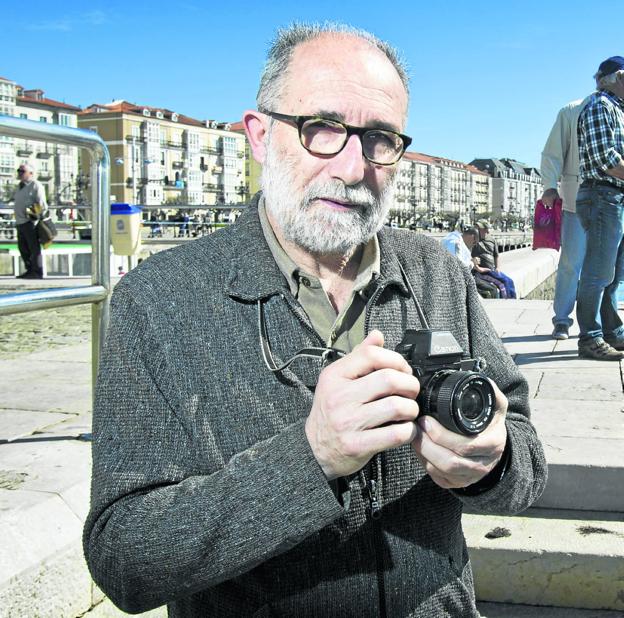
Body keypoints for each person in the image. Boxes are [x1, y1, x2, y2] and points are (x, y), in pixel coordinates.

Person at [84, 24, 547, 617]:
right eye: (321, 129)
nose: (354, 166)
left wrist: (492, 461)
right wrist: (309, 460)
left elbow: (526, 456)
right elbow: (125, 559)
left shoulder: (437, 272)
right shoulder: (159, 300)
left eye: (380, 138)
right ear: (259, 135)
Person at [575, 56, 624, 361]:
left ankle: (612, 331)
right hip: (603, 196)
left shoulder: (617, 109)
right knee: (598, 272)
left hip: (614, 197)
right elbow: (605, 159)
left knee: (614, 274)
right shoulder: (599, 106)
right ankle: (589, 337)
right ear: (617, 77)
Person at [541, 96, 592, 340]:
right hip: (576, 200)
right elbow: (552, 153)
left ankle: (597, 325)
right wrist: (549, 186)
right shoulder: (572, 110)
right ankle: (562, 320)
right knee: (571, 265)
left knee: (607, 269)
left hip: (614, 202)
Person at [441, 226, 501, 298]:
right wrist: (473, 263)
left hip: (464, 277)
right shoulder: (456, 244)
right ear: (472, 236)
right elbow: (457, 266)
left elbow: (462, 260)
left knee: (493, 287)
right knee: (492, 290)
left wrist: (476, 266)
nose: (474, 244)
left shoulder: (456, 239)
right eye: (474, 242)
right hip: (458, 281)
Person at [12, 163, 47, 279]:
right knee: (23, 248)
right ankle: (30, 270)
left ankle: (37, 272)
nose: (19, 173)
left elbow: (41, 203)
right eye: (19, 171)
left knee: (34, 248)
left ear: (30, 173)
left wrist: (34, 216)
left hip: (30, 222)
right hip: (20, 222)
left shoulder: (36, 185)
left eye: (22, 171)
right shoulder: (19, 186)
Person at [472, 220, 517, 298]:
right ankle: (507, 301)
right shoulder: (474, 241)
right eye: (476, 228)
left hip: (492, 270)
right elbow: (469, 257)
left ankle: (513, 299)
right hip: (482, 272)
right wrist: (478, 268)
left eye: (479, 228)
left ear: (486, 229)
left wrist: (497, 267)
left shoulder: (492, 240)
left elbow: (496, 255)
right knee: (503, 283)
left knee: (510, 281)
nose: (477, 230)